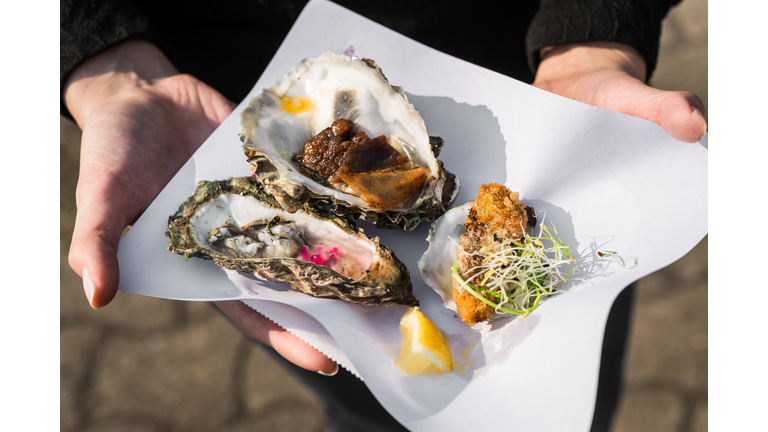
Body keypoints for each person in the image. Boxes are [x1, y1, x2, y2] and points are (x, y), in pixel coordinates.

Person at [61, 0, 706, 430]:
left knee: (568, 375)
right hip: (211, 75)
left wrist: (593, 33)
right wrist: (106, 59)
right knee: (358, 392)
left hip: (522, 60)